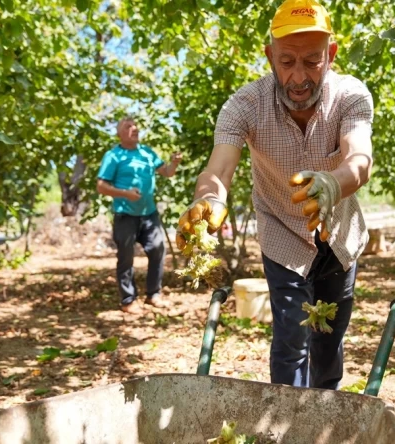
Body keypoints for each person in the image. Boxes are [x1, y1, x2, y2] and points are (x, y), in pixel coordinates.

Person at [177, 0, 374, 389]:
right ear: (269, 57)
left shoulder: (352, 96)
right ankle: (286, 420)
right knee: (290, 337)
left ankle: (325, 408)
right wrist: (210, 200)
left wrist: (332, 184)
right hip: (282, 234)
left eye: (312, 61)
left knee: (329, 337)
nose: (299, 77)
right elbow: (218, 169)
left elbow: (359, 160)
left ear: (331, 55)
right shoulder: (244, 106)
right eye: (286, 61)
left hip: (339, 236)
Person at [97, 116, 182, 313]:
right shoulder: (113, 156)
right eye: (128, 126)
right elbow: (101, 187)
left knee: (158, 248)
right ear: (119, 133)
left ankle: (154, 294)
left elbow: (167, 172)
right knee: (126, 256)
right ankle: (128, 300)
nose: (134, 129)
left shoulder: (147, 153)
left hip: (149, 213)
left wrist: (174, 163)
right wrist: (125, 194)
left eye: (135, 125)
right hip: (125, 214)